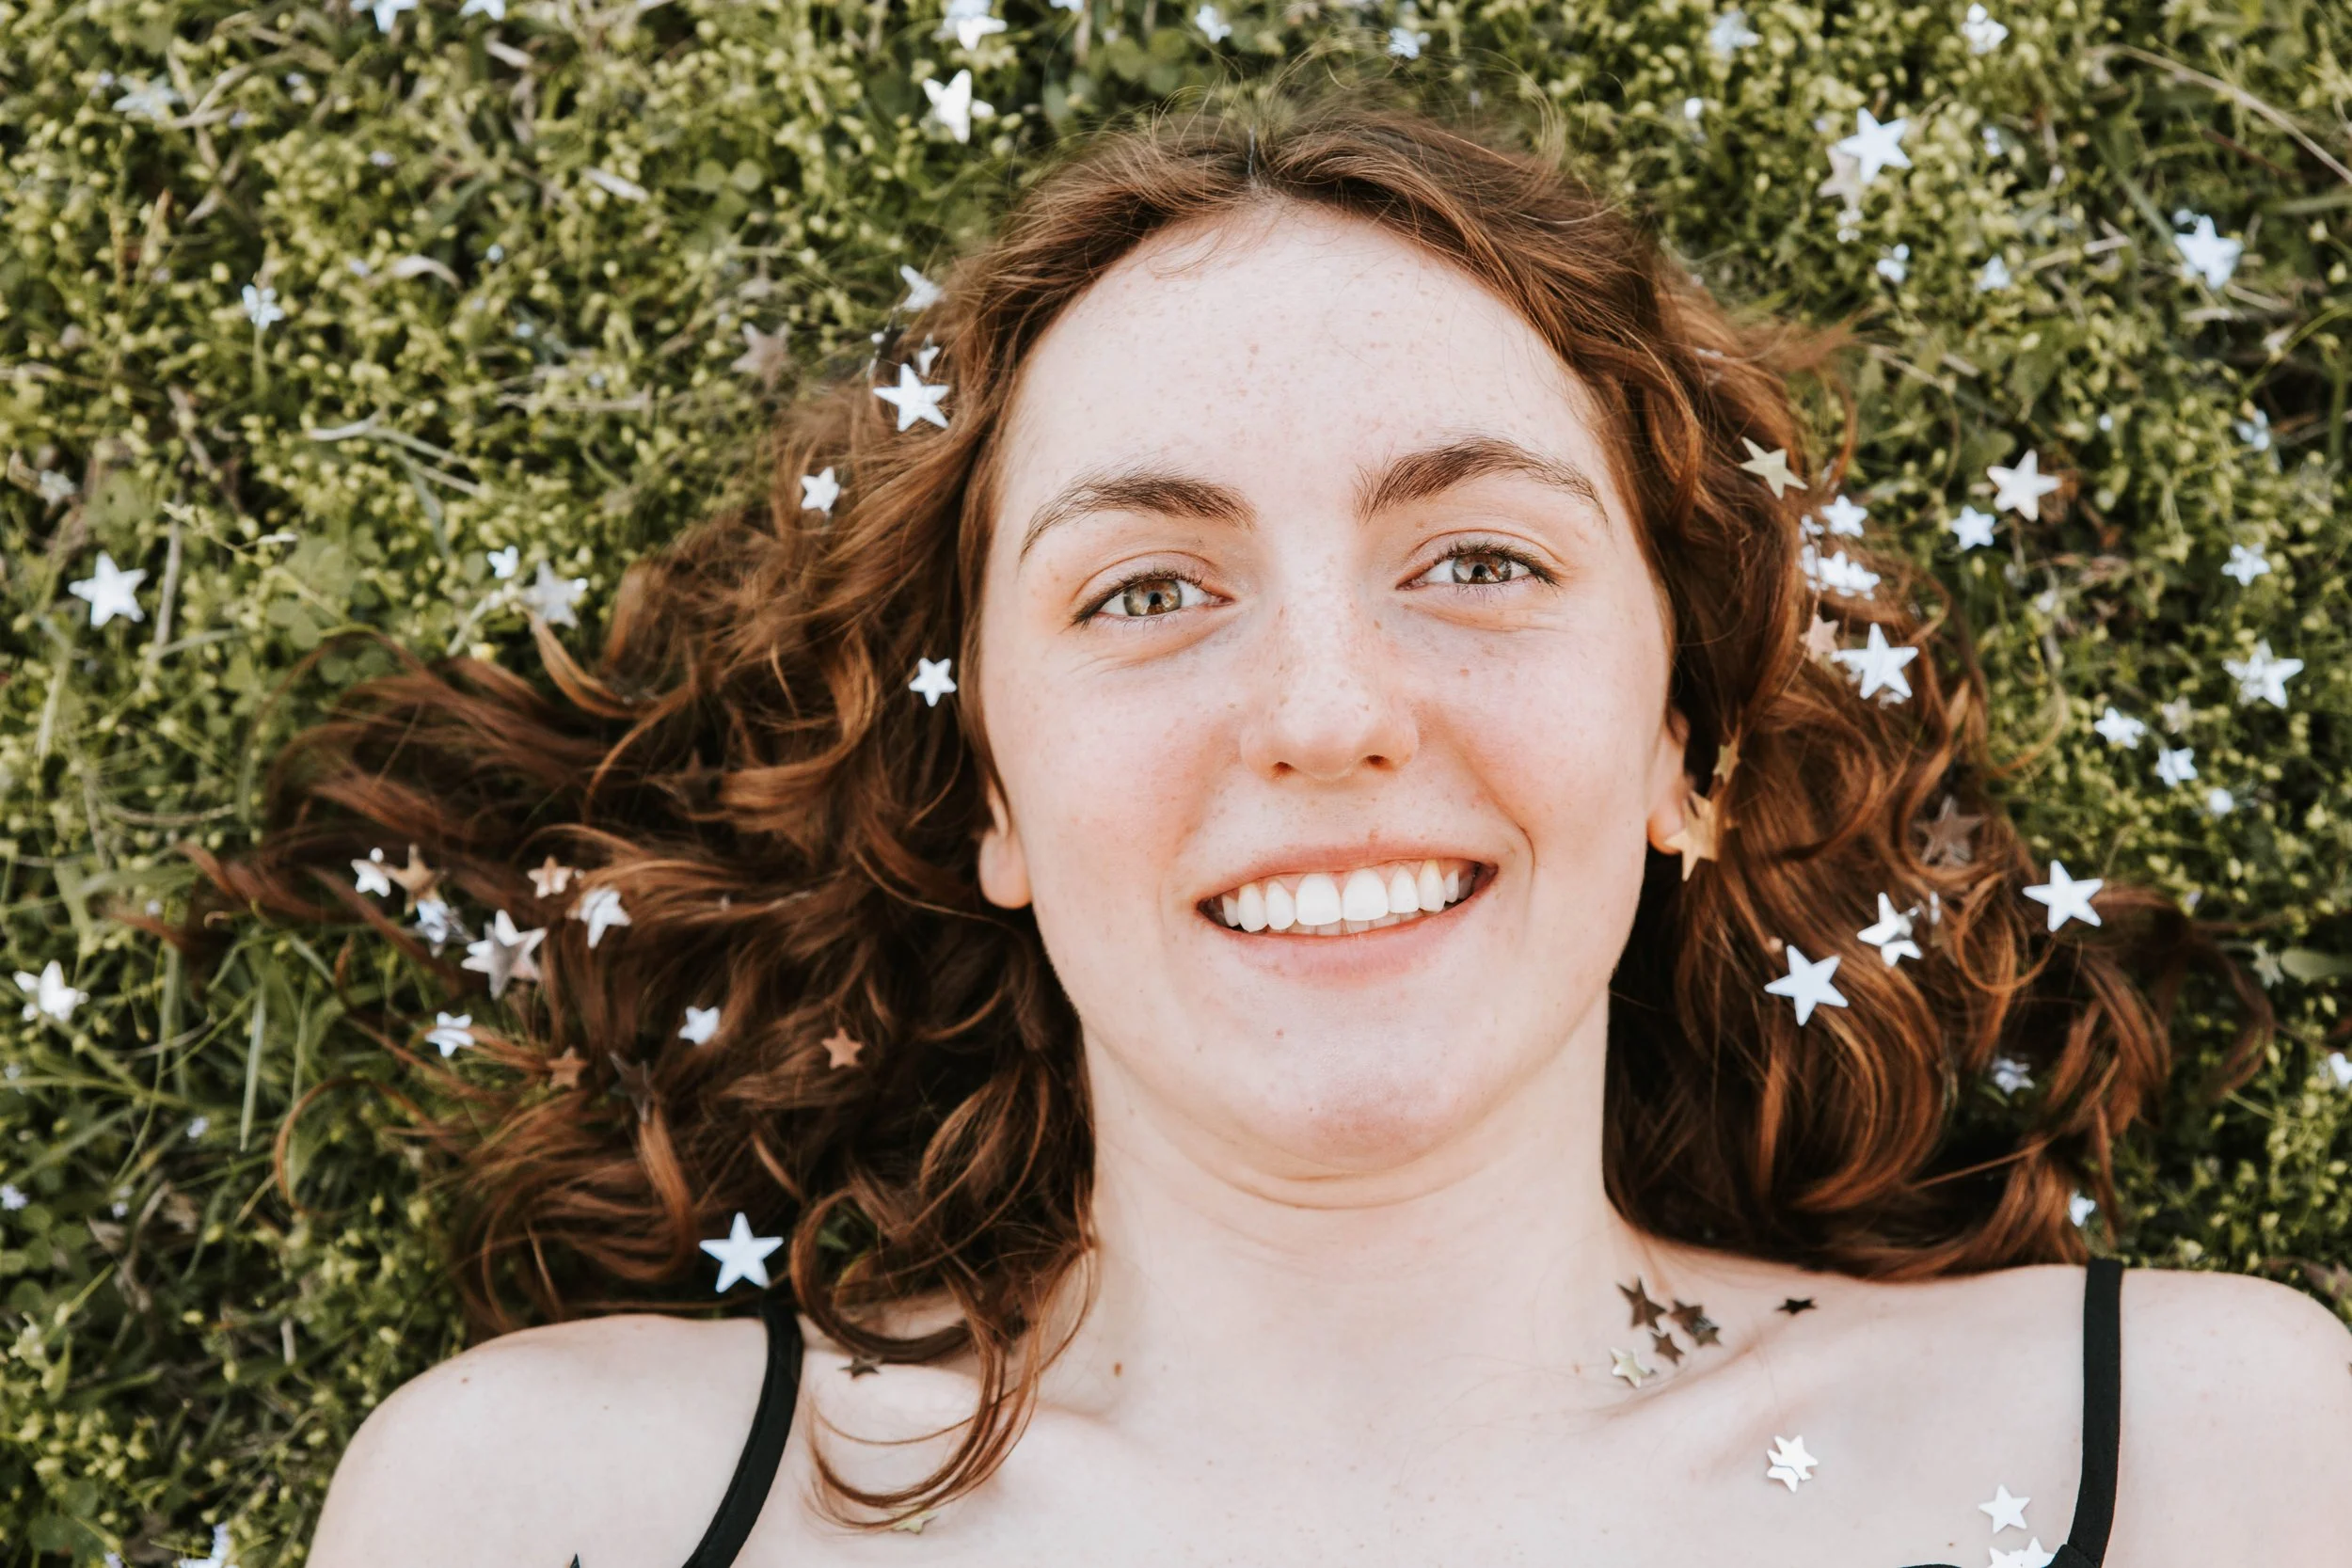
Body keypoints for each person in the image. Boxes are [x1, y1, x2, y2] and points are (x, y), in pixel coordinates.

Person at [211, 87, 2351, 1567]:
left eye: (1478, 559)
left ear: (1679, 744)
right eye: (1146, 590)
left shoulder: (2201, 1456)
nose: (1326, 711)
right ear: (991, 799)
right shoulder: (555, 1503)